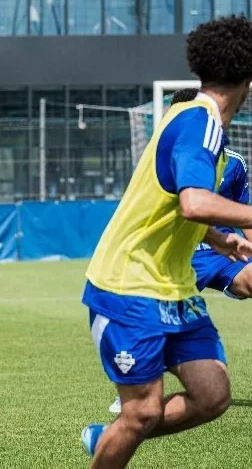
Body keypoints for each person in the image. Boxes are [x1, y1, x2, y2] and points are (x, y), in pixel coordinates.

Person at [80, 15, 252, 468]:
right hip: (128, 286)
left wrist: (220, 239)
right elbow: (194, 201)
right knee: (141, 412)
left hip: (171, 287)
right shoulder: (201, 123)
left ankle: (109, 438)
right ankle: (118, 437)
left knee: (212, 396)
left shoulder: (193, 117)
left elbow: (177, 205)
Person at [107, 87, 252, 415]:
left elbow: (240, 209)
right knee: (154, 320)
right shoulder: (172, 148)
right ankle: (137, 388)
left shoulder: (232, 162)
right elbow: (190, 204)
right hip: (174, 258)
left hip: (218, 251)